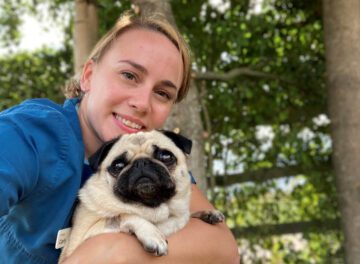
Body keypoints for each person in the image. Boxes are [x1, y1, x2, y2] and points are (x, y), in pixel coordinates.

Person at [0, 11, 240, 264]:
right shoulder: (32, 134)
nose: (142, 103)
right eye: (129, 75)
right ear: (88, 75)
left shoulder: (157, 158)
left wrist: (114, 250)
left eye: (162, 93)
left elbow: (222, 247)